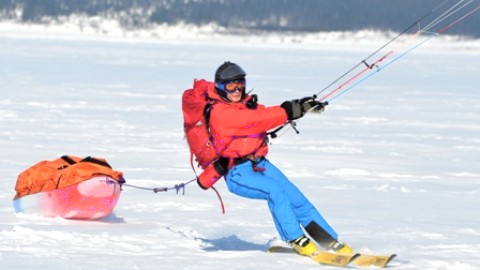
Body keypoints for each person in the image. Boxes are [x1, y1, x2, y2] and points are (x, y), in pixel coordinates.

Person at [196, 61, 352, 256]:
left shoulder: (247, 106)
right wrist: (289, 110)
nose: (237, 89)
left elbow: (267, 114)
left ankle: (327, 240)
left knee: (296, 198)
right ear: (220, 87)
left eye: (240, 83)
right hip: (236, 173)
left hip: (259, 164)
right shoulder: (220, 113)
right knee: (275, 192)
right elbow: (256, 121)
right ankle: (296, 238)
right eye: (231, 85)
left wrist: (302, 106)